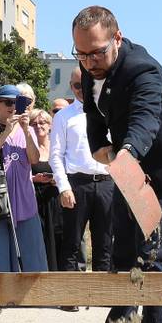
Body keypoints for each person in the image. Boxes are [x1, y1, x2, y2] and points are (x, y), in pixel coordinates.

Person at [72, 5, 162, 323]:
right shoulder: (89, 62)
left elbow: (144, 120)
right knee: (122, 253)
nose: (90, 61)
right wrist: (98, 143)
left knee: (153, 257)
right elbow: (93, 111)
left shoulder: (143, 69)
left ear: (118, 37)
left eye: (97, 52)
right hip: (129, 166)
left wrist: (125, 152)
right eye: (82, 53)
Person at [50, 66, 113, 291]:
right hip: (77, 183)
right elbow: (55, 155)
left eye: (87, 84)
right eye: (78, 85)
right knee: (72, 241)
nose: (82, 90)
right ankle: (71, 293)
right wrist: (63, 187)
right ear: (71, 86)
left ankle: (102, 293)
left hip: (107, 183)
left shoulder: (109, 111)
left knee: (105, 242)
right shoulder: (64, 116)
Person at [0, 85, 48, 273]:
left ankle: (33, 296)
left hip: (24, 198)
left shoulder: (27, 130)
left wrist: (26, 130)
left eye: (19, 103)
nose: (13, 107)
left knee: (31, 249)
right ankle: (0, 294)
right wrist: (6, 132)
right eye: (8, 102)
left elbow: (34, 159)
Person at [29, 109, 66, 273]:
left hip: (55, 199)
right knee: (39, 241)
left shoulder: (59, 146)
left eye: (42, 122)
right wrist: (34, 179)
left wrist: (55, 178)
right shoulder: (27, 147)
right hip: (34, 200)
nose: (38, 126)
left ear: (50, 126)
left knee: (59, 240)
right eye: (34, 123)